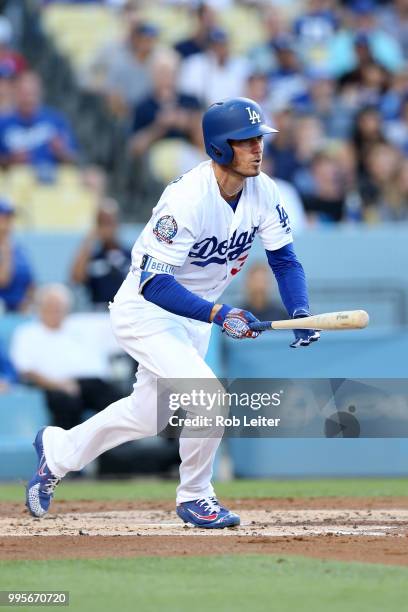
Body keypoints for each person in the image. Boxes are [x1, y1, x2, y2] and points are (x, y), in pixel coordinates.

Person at [25, 97, 320, 527]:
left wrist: (300, 310)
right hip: (146, 310)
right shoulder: (186, 199)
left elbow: (285, 261)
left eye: (260, 138)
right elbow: (155, 283)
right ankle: (196, 495)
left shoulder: (264, 190)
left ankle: (58, 452)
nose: (258, 148)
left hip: (193, 317)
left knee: (148, 414)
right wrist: (221, 314)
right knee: (209, 398)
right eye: (246, 141)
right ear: (220, 147)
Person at [11, 284, 121, 430]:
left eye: (60, 307)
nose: (55, 312)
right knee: (66, 405)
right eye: (51, 307)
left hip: (92, 383)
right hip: (54, 386)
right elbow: (26, 370)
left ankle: (120, 450)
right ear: (40, 308)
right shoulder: (27, 333)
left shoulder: (82, 325)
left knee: (116, 402)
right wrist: (58, 384)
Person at [0, 71, 78, 172]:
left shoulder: (55, 120)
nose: (29, 98)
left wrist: (61, 151)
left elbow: (73, 158)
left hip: (52, 178)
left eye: (33, 93)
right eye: (24, 93)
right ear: (15, 94)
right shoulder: (3, 123)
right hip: (15, 179)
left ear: (40, 93)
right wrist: (11, 160)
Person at [70, 198, 132, 308]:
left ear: (117, 223)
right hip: (98, 315)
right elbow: (76, 278)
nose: (107, 228)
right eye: (102, 223)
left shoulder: (131, 255)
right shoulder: (92, 258)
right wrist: (89, 241)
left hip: (126, 312)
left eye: (110, 222)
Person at [0, 198, 34, 312]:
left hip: (21, 311)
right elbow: (3, 280)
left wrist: (28, 302)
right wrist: (5, 249)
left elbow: (30, 280)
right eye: (5, 217)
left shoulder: (17, 246)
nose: (9, 222)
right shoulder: (7, 247)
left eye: (10, 217)